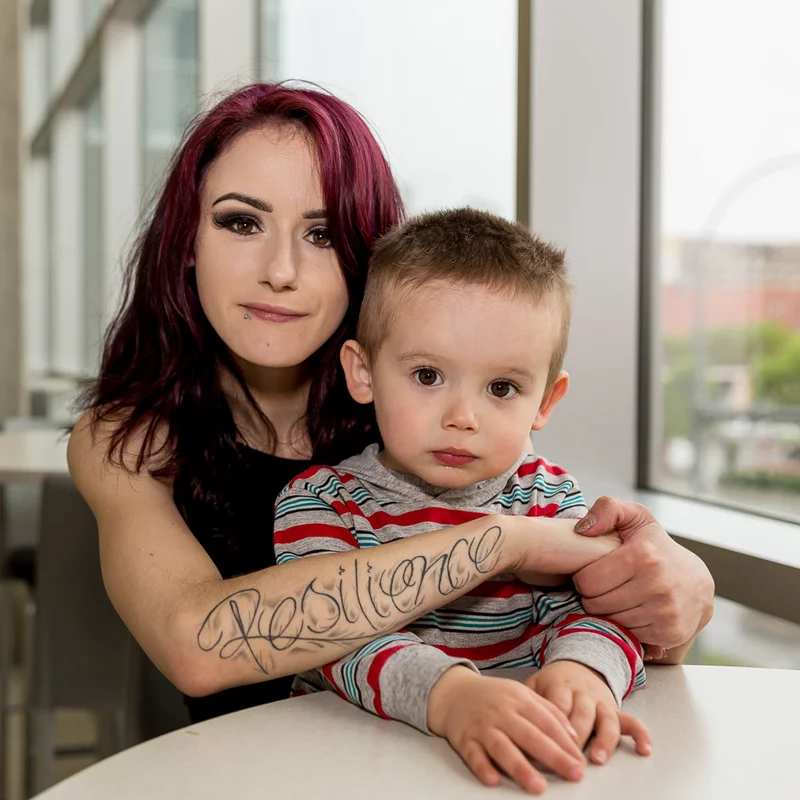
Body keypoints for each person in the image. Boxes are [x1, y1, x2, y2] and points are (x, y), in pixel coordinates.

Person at [67, 82, 714, 729]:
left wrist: (677, 593)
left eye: (320, 234)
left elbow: (612, 613)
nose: (281, 269)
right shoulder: (125, 439)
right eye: (242, 222)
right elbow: (197, 644)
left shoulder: (426, 407)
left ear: (362, 258)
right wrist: (502, 542)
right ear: (187, 242)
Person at [273, 209, 654, 794]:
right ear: (364, 372)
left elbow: (595, 611)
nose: (462, 418)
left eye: (502, 388)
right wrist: (453, 697)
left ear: (545, 402)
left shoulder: (549, 498)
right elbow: (331, 637)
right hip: (347, 771)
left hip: (515, 770)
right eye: (428, 376)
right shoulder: (321, 503)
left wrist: (582, 671)